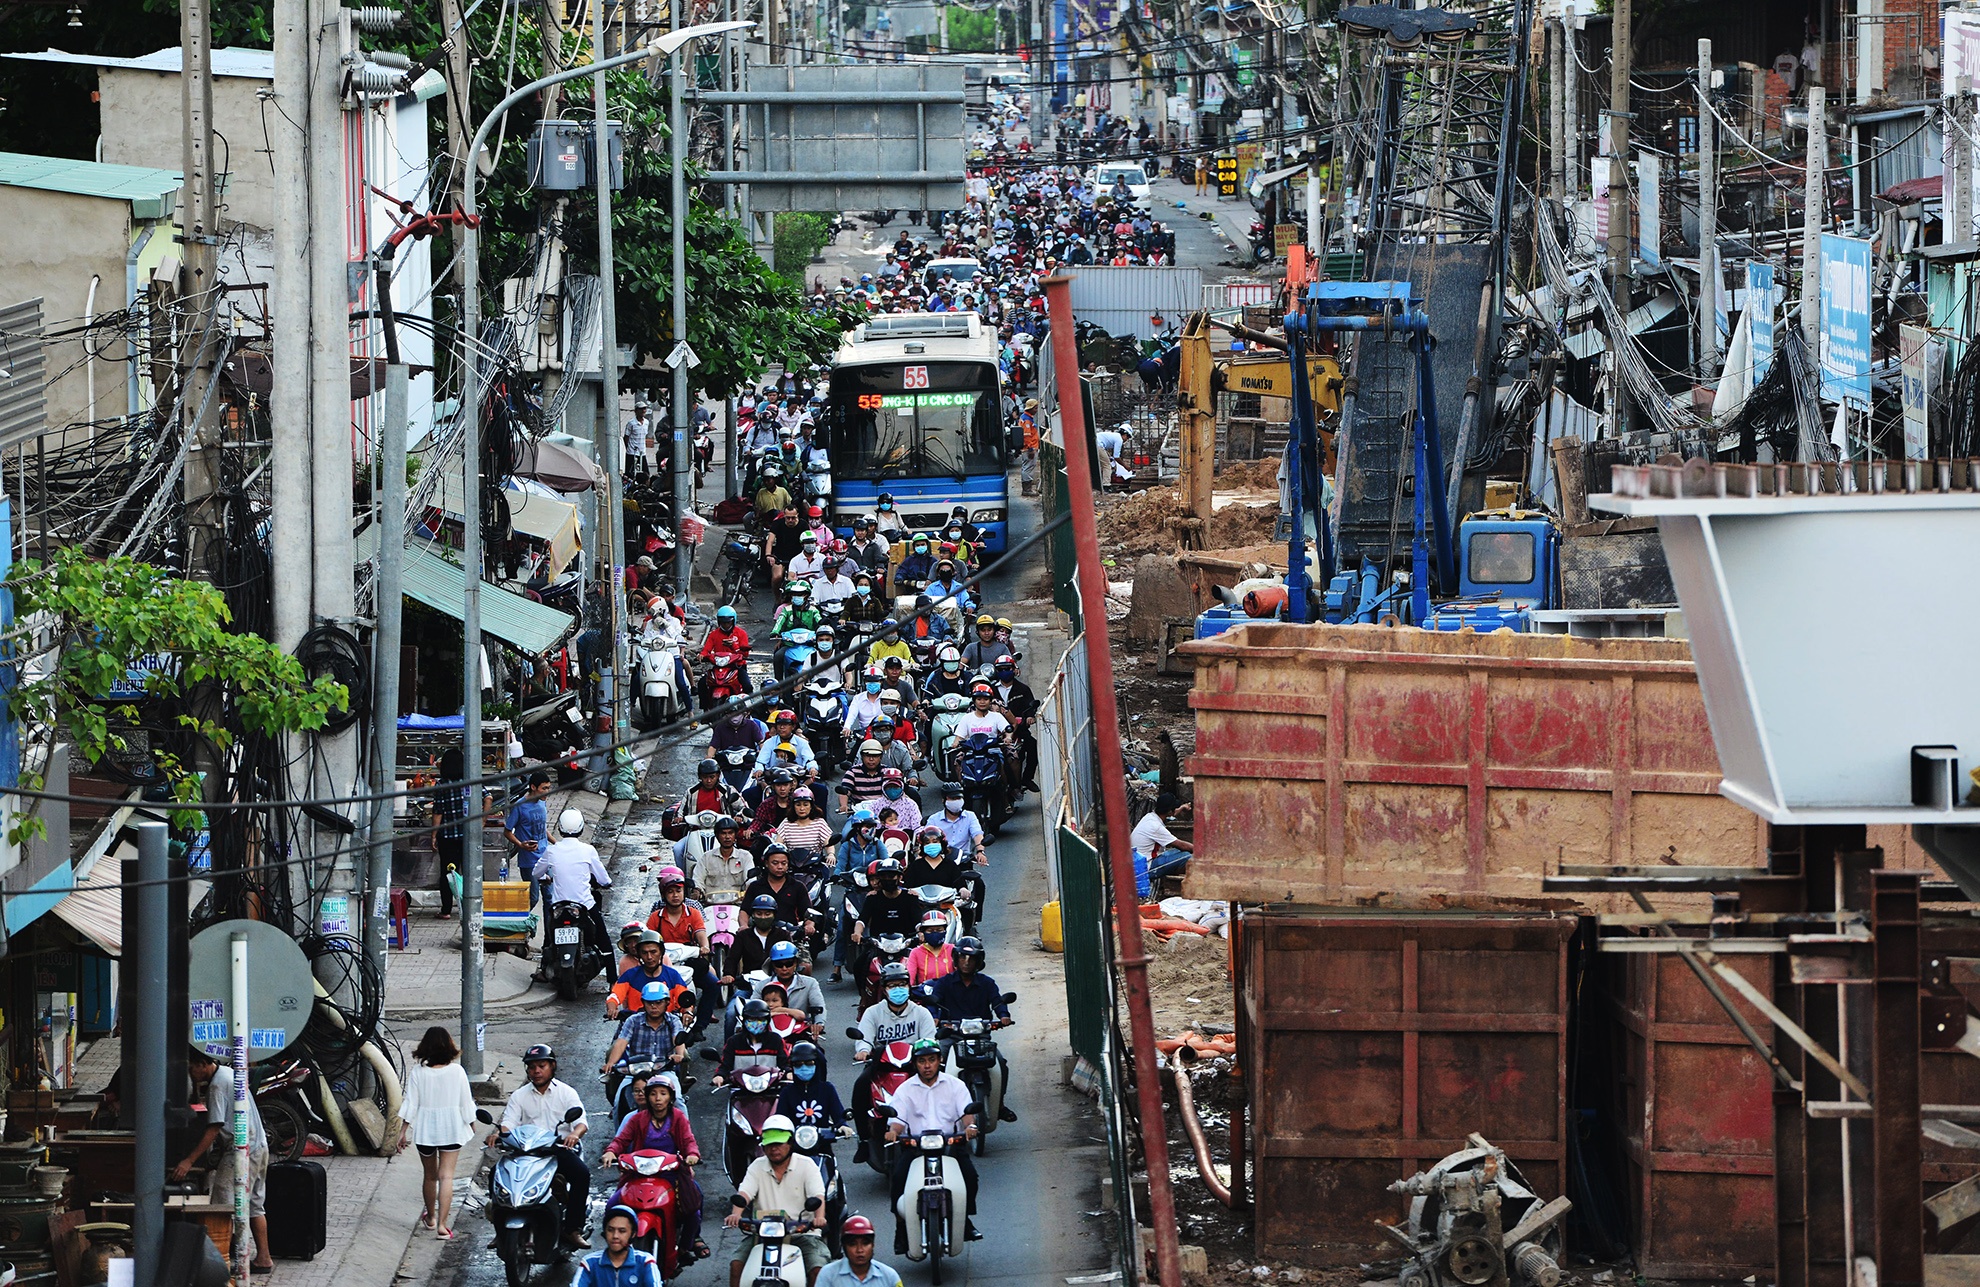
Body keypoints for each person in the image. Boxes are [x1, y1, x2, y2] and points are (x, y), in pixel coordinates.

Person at [179, 1047, 273, 1273]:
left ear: (202, 1064)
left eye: (192, 1069)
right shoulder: (228, 1073)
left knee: (221, 1205)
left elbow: (214, 1128)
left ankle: (224, 1261)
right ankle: (263, 1259)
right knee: (254, 1205)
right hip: (259, 1146)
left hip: (241, 1151)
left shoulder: (217, 1086)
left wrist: (189, 1161)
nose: (191, 1074)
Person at [883, 1041, 980, 1253]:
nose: (927, 1066)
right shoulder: (905, 1089)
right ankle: (901, 1228)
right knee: (898, 1180)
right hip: (916, 1148)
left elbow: (967, 1114)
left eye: (931, 1060)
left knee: (970, 1177)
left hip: (950, 1146)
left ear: (939, 1060)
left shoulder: (955, 1085)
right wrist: (893, 1132)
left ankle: (964, 1220)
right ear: (915, 1064)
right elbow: (897, 1120)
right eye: (922, 1061)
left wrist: (970, 1127)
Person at [494, 1045, 592, 1249]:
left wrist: (574, 1134)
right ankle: (500, 1230)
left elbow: (581, 1122)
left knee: (581, 1174)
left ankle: (573, 1229)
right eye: (532, 1067)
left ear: (552, 1066)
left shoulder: (566, 1092)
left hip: (557, 1150)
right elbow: (508, 1122)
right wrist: (500, 1134)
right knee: (496, 1174)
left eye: (541, 1066)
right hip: (524, 1151)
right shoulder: (519, 1095)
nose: (536, 1071)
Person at [601, 1079, 709, 1263]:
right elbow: (621, 1140)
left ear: (670, 1098)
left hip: (670, 1174)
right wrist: (611, 1152)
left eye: (663, 1094)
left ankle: (686, 1245)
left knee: (694, 1207)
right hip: (639, 1174)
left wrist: (692, 1155)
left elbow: (688, 1140)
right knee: (612, 1206)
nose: (658, 1098)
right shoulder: (637, 1119)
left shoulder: (678, 1118)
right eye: (653, 1094)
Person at [725, 1116, 829, 1287]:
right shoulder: (757, 1166)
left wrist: (819, 1218)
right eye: (769, 1144)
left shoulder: (807, 1165)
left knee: (818, 1269)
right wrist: (735, 1214)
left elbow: (817, 1195)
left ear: (790, 1143)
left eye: (779, 1144)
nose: (774, 1149)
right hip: (763, 1234)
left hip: (801, 1233)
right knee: (736, 1265)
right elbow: (744, 1193)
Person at [848, 964, 937, 1164]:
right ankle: (864, 1140)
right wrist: (863, 1050)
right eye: (892, 985)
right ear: (884, 988)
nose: (898, 989)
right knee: (860, 1086)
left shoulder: (921, 1013)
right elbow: (864, 1039)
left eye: (902, 984)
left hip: (913, 1067)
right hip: (881, 1066)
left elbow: (930, 1040)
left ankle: (946, 1134)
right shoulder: (873, 1013)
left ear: (909, 986)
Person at [925, 938, 1017, 1122]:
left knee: (1000, 1064)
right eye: (962, 957)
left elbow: (997, 1002)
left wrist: (1003, 1015)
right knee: (937, 1061)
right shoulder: (944, 983)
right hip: (952, 1036)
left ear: (979, 961)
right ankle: (933, 1104)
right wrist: (934, 1017)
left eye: (971, 958)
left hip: (981, 1037)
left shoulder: (987, 983)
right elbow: (934, 1002)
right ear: (955, 959)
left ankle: (999, 1105)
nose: (966, 962)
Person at [399, 1026, 478, 1239]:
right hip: (452, 1128)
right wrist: (471, 1123)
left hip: (425, 1130)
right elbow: (466, 1102)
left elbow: (411, 1103)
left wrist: (403, 1131)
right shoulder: (457, 1072)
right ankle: (443, 1226)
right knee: (446, 1176)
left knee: (430, 1176)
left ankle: (431, 1218)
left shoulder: (418, 1072)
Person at [536, 808, 613, 958]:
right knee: (604, 942)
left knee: (549, 939)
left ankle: (544, 964)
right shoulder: (588, 850)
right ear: (581, 828)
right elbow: (604, 880)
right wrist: (606, 883)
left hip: (558, 906)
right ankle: (612, 972)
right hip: (584, 904)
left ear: (560, 828)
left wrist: (546, 877)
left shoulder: (552, 850)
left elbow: (536, 872)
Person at [601, 981, 691, 1092]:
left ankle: (682, 1082)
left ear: (667, 1002)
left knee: (677, 1098)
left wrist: (679, 1055)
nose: (654, 1007)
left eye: (658, 1003)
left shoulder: (673, 1021)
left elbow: (678, 1039)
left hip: (664, 1070)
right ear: (643, 1003)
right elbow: (621, 1043)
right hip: (636, 1071)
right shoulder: (633, 1020)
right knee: (619, 1097)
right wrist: (611, 1063)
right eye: (649, 1003)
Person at [606, 930, 692, 1018]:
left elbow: (685, 998)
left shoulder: (673, 975)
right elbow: (615, 995)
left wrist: (687, 1012)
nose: (649, 957)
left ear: (661, 952)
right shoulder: (629, 976)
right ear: (639, 954)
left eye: (653, 952)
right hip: (635, 1023)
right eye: (644, 953)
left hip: (667, 1023)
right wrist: (612, 1008)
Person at [574, 1205, 663, 1287]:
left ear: (632, 1234)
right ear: (605, 1232)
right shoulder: (589, 1263)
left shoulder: (645, 1262)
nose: (615, 1236)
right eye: (610, 1230)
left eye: (622, 1231)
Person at [430, 747, 468, 918]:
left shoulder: (442, 785)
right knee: (469, 871)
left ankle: (446, 910)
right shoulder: (469, 782)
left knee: (448, 873)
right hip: (467, 836)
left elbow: (438, 812)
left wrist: (433, 835)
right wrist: (481, 821)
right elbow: (488, 797)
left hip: (447, 837)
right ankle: (472, 906)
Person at [1130, 792, 1194, 895]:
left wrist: (1182, 808)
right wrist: (1201, 851)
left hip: (1138, 862)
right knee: (1188, 856)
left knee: (1179, 852)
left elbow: (1170, 814)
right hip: (1145, 868)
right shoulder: (1156, 827)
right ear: (1169, 811)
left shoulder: (1150, 817)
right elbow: (1181, 845)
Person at [503, 771, 552, 902]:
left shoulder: (542, 802)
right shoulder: (520, 806)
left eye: (548, 788)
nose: (547, 792)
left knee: (549, 897)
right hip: (529, 861)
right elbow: (507, 832)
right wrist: (520, 845)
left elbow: (542, 828)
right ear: (533, 787)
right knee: (533, 898)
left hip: (545, 857)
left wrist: (557, 843)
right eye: (544, 788)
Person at [817, 1215, 903, 1287]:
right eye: (852, 1244)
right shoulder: (828, 1274)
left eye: (865, 1244)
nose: (859, 1250)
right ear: (844, 1246)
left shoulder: (890, 1276)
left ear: (873, 1245)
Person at [904, 911, 955, 985]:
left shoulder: (952, 949)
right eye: (930, 931)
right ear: (924, 932)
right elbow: (910, 977)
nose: (935, 933)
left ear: (945, 931)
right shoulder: (916, 953)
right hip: (925, 991)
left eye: (939, 930)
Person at [625, 401, 656, 478]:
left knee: (646, 473)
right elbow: (626, 437)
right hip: (632, 452)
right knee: (630, 473)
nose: (643, 411)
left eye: (644, 409)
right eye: (641, 409)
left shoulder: (646, 422)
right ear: (636, 411)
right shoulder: (631, 423)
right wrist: (629, 448)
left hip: (642, 452)